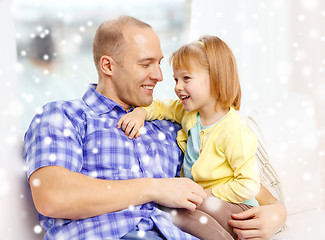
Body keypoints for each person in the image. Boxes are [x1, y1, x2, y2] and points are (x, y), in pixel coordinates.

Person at [23, 16, 286, 240]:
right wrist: (156, 188)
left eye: (159, 63)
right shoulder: (64, 116)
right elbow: (52, 196)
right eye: (146, 64)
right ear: (108, 66)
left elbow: (230, 176)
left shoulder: (174, 127)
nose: (159, 76)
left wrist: (276, 211)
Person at [118, 35, 260, 239]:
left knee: (183, 209)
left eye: (186, 78)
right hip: (208, 205)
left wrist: (205, 194)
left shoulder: (234, 131)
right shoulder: (191, 114)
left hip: (239, 210)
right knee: (177, 211)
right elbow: (161, 107)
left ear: (215, 79)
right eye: (176, 79)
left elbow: (248, 185)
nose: (177, 86)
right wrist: (140, 113)